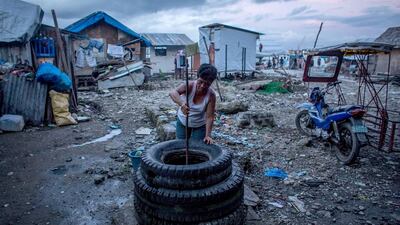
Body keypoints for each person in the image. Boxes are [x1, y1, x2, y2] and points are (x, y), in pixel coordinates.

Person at [169, 64, 217, 144]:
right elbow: (173, 92)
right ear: (197, 77)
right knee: (180, 145)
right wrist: (182, 104)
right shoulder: (189, 86)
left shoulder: (211, 95)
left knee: (197, 146)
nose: (202, 86)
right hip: (183, 121)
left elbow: (209, 117)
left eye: (207, 84)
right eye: (200, 82)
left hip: (199, 124)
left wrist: (208, 135)